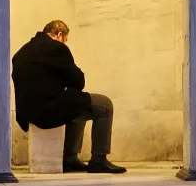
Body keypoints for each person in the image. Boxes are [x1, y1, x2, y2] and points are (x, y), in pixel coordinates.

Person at [12, 20, 126, 174]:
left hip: (27, 113)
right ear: (59, 35)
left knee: (77, 101)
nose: (64, 43)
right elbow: (78, 80)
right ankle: (98, 160)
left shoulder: (22, 52)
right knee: (104, 104)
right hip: (47, 111)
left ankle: (70, 159)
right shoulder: (56, 48)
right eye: (65, 40)